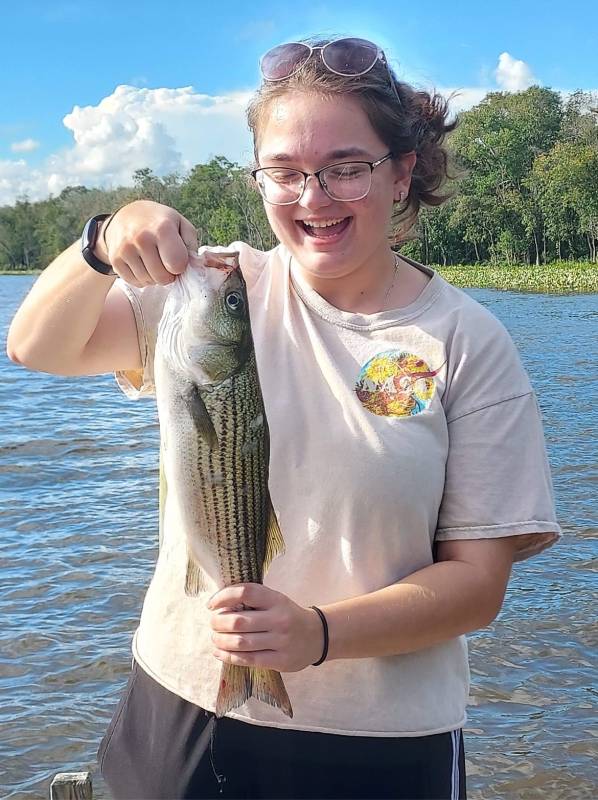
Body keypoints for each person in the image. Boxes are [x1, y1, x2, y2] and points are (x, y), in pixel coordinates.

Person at [7, 35, 561, 800]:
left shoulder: (465, 341)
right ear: (258, 178)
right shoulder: (215, 288)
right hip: (184, 706)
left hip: (383, 742)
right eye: (287, 172)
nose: (313, 196)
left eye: (347, 167)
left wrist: (319, 633)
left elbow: (478, 586)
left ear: (402, 173)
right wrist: (100, 242)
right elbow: (37, 347)